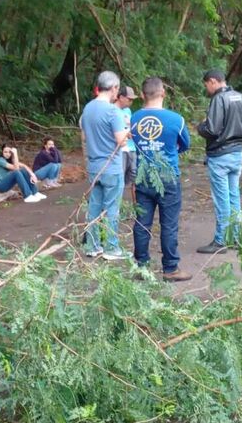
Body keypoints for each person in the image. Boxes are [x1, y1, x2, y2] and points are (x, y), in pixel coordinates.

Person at [130, 77, 192, 282]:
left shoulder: (133, 119)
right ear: (163, 93)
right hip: (168, 177)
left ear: (142, 95)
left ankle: (142, 267)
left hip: (142, 177)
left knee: (142, 223)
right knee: (169, 224)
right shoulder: (176, 119)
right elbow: (185, 144)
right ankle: (170, 268)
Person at [196, 69, 242, 254]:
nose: (207, 89)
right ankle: (235, 237)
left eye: (206, 85)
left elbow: (212, 129)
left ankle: (221, 241)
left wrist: (199, 127)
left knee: (222, 200)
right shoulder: (240, 97)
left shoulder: (219, 99)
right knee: (234, 197)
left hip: (220, 155)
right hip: (237, 153)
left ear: (212, 81)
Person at [80, 71, 130, 260]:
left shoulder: (88, 108)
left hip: (94, 167)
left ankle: (92, 246)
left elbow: (85, 136)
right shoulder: (112, 111)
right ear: (114, 88)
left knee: (94, 207)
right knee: (112, 208)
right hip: (111, 167)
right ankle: (111, 247)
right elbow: (121, 141)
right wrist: (127, 131)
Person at [114, 85, 138, 197]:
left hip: (131, 147)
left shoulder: (128, 110)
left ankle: (124, 193)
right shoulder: (112, 111)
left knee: (133, 172)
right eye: (129, 99)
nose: (131, 102)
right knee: (120, 173)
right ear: (121, 97)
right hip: (120, 148)